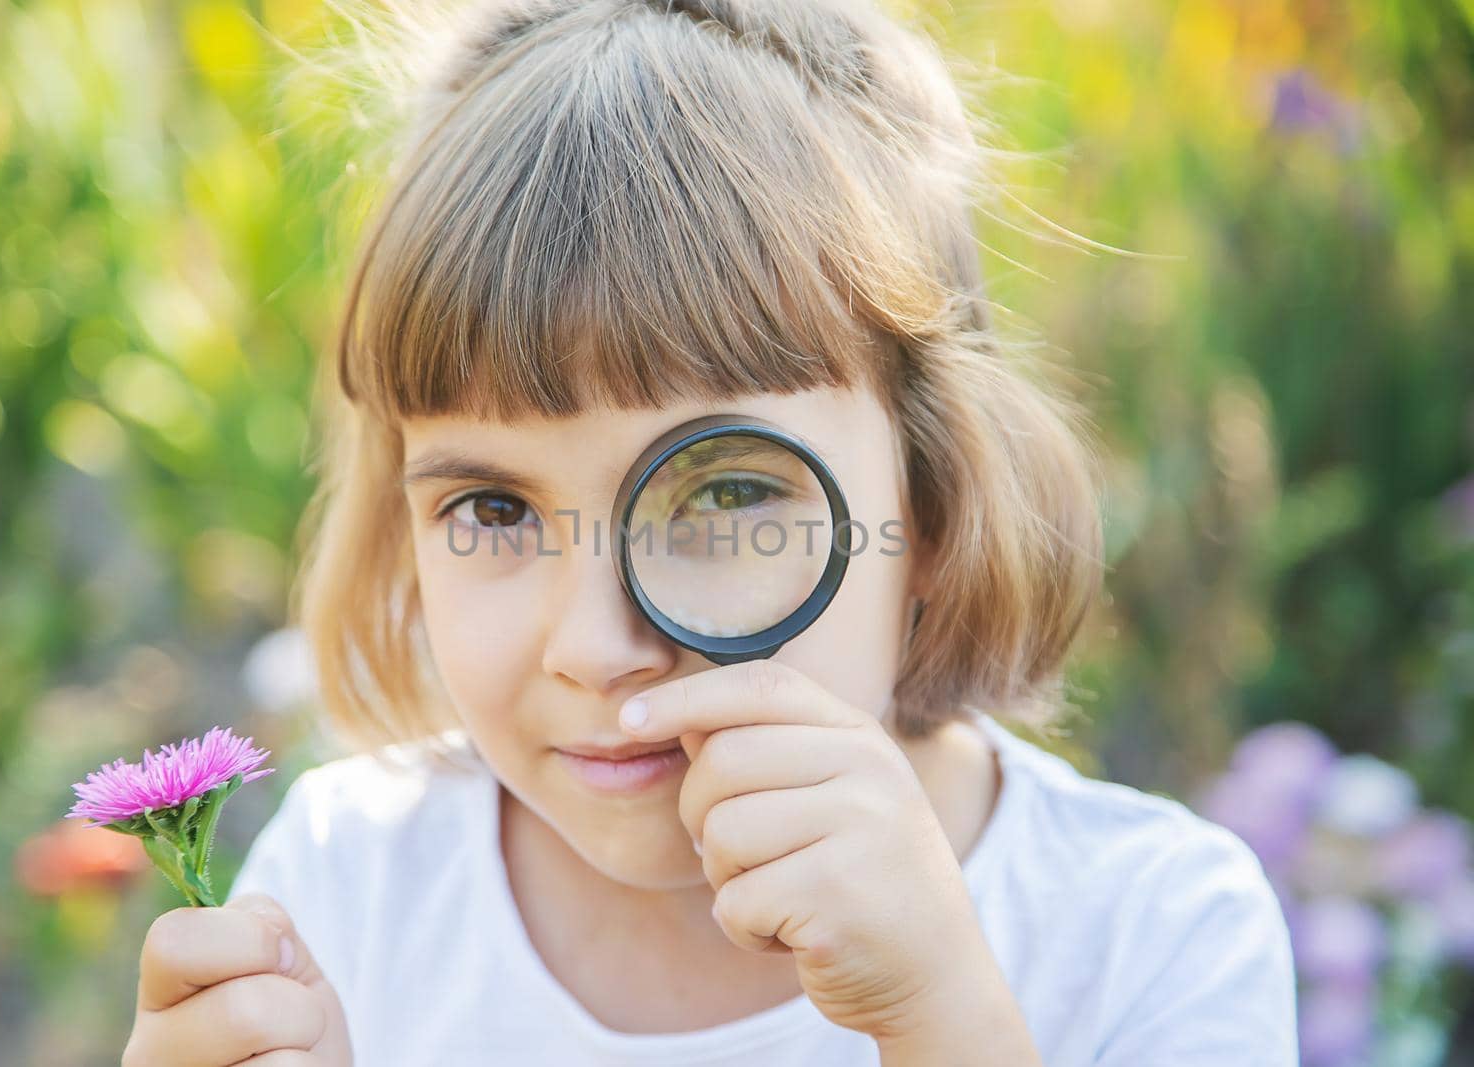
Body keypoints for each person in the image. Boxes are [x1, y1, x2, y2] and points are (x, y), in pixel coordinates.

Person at [120, 0, 1298, 1064]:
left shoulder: (1149, 928)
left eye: (727, 497)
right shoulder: (347, 888)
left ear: (934, 504)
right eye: (493, 507)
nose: (594, 643)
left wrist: (945, 1021)